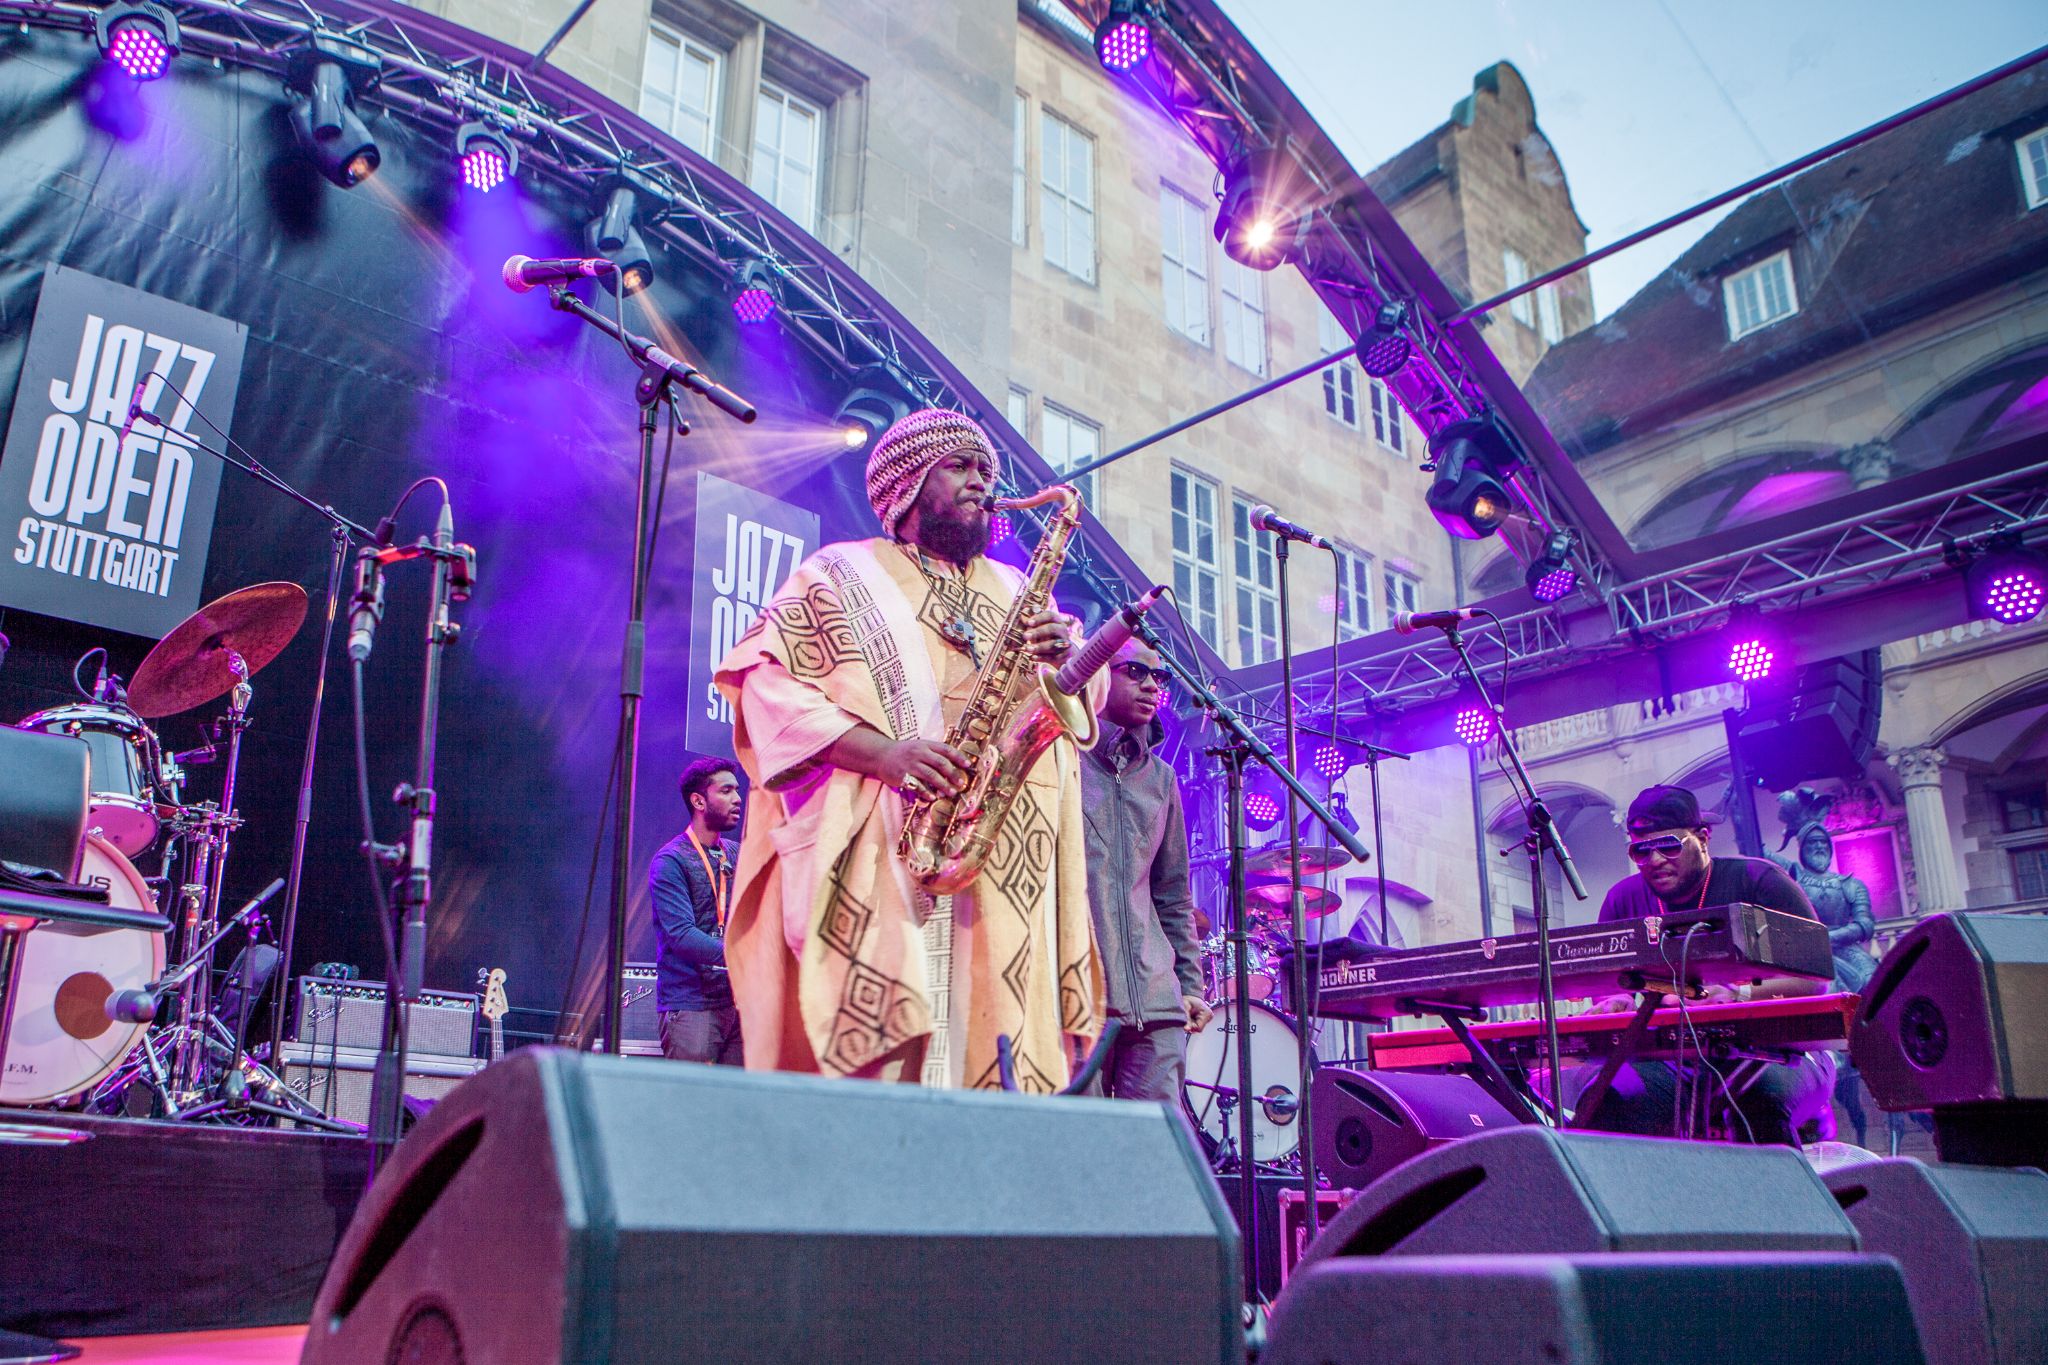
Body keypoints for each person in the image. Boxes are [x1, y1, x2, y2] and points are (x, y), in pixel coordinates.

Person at [714, 408, 1104, 1090]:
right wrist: (886, 754)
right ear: (907, 484)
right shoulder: (837, 574)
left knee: (999, 1072)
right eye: (959, 466)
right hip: (891, 862)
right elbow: (765, 689)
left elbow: (1083, 697)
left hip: (1007, 874)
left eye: (986, 469)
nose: (980, 481)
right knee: (889, 1088)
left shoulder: (1017, 588)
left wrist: (1071, 658)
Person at [1567, 784, 1835, 1146]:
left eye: (1669, 846)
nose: (1655, 860)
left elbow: (1815, 979)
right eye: (1641, 851)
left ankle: (1785, 1199)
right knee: (1608, 1100)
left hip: (1786, 1051)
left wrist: (1739, 995)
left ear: (1703, 838)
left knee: (1757, 1099)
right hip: (1673, 1058)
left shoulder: (1759, 881)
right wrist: (1618, 1003)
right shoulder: (1623, 899)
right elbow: (1608, 986)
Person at [1079, 638, 1211, 1101]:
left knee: (1155, 1151)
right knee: (1079, 1149)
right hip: (1079, 994)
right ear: (1097, 674)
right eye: (1134, 671)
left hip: (1158, 1001)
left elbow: (1173, 894)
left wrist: (1190, 986)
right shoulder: (1060, 762)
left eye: (1160, 678)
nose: (1152, 685)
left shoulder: (1162, 780)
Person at [648, 757, 745, 1065]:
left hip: (739, 1003)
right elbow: (682, 935)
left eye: (737, 790)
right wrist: (742, 957)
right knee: (693, 1108)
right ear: (699, 800)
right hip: (691, 1004)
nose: (738, 798)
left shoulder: (737, 853)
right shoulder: (670, 861)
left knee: (738, 1106)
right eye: (726, 790)